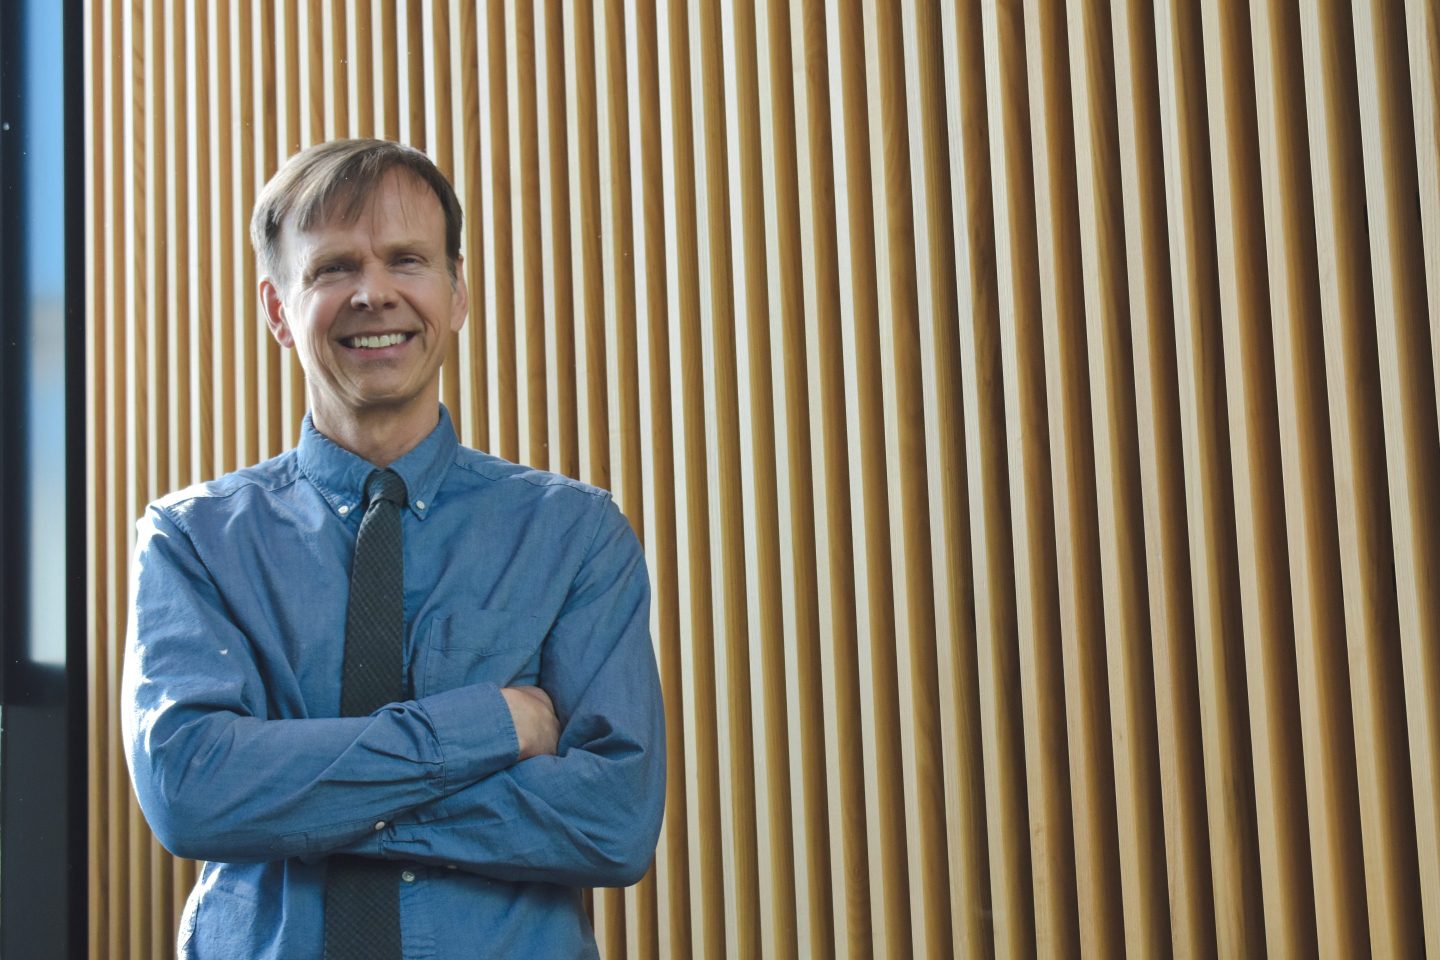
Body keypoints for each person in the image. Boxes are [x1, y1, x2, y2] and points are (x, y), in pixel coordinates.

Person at [122, 138, 666, 959]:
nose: (374, 293)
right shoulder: (190, 540)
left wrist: (298, 801)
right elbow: (191, 794)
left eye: (407, 260)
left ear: (457, 292)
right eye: (333, 267)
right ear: (278, 310)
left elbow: (612, 823)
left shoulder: (575, 536)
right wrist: (489, 726)